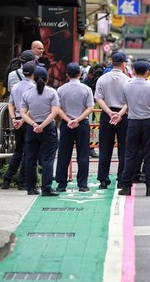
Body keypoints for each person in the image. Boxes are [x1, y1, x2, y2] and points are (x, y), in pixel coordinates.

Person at [118, 61, 150, 196]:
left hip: (132, 122)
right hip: (147, 121)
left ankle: (126, 185)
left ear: (134, 70)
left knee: (130, 154)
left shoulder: (127, 85)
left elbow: (126, 103)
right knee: (149, 154)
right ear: (148, 71)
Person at [20, 66, 61, 196]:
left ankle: (31, 188)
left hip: (31, 129)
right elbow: (54, 112)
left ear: (33, 78)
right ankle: (46, 188)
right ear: (47, 78)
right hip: (48, 128)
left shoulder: (27, 93)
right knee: (47, 159)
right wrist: (42, 125)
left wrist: (34, 124)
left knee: (30, 159)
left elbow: (23, 113)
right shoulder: (51, 92)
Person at [55, 62, 95, 192]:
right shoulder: (86, 89)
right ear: (80, 74)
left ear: (67, 75)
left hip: (66, 124)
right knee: (83, 154)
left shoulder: (61, 89)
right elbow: (90, 108)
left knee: (63, 154)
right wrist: (78, 119)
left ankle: (61, 184)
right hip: (82, 124)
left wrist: (68, 120)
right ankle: (82, 184)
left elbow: (57, 108)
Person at [95, 51, 131, 189]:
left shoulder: (103, 79)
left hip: (107, 114)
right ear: (123, 64)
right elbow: (130, 101)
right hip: (124, 115)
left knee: (104, 147)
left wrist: (110, 113)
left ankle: (103, 179)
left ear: (111, 62)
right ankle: (122, 179)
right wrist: (120, 114)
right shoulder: (127, 80)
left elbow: (98, 98)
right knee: (124, 149)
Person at [2, 62, 37, 190]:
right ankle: (21, 181)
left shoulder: (15, 86)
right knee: (28, 152)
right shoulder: (33, 87)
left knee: (18, 151)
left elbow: (10, 104)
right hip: (27, 121)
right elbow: (32, 106)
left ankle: (7, 179)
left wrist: (14, 119)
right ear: (33, 73)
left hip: (17, 120)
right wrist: (23, 119)